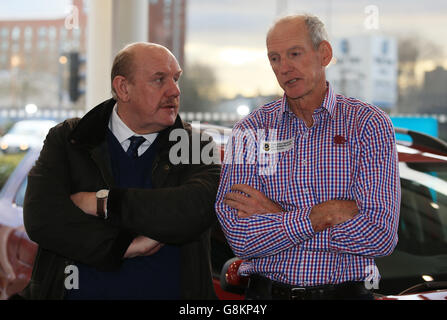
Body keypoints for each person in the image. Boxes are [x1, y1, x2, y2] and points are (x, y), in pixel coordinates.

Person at [215, 14, 400, 300]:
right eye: (274, 58)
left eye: (295, 54)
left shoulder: (368, 125)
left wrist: (278, 216)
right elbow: (240, 238)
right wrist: (319, 217)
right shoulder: (249, 130)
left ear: (324, 54)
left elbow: (379, 236)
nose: (284, 68)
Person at [22, 42, 220, 300]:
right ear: (123, 88)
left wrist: (102, 203)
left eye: (176, 78)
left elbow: (195, 210)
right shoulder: (70, 139)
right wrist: (124, 246)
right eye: (159, 80)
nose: (174, 90)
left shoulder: (197, 145)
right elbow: (42, 218)